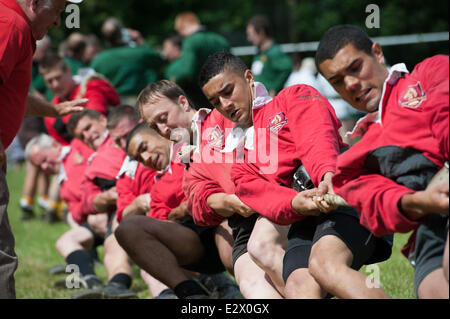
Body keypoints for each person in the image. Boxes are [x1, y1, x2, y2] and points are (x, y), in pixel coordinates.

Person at [199, 51, 393, 299]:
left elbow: (317, 137)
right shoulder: (240, 157)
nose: (225, 105)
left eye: (228, 91)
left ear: (248, 78)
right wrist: (294, 203)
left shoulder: (291, 97)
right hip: (304, 222)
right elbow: (256, 192)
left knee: (325, 266)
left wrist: (326, 175)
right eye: (215, 102)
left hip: (344, 197)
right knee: (298, 288)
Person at [315, 24, 449, 299]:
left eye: (355, 67)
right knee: (433, 290)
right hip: (430, 226)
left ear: (376, 53)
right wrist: (418, 201)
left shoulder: (429, 74)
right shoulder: (353, 159)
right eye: (338, 81)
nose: (351, 84)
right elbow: (377, 206)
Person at [136, 79, 284, 298]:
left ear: (183, 102)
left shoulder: (220, 118)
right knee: (251, 281)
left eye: (163, 118)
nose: (162, 129)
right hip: (232, 220)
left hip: (271, 206)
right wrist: (219, 200)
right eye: (154, 126)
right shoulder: (181, 152)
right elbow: (197, 204)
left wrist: (217, 197)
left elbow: (253, 167)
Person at [0, 0, 86, 299]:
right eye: (59, 10)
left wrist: (52, 109)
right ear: (36, 3)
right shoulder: (11, 25)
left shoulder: (14, 24)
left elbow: (14, 89)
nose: (60, 22)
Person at [116, 123, 241, 299]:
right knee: (127, 228)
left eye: (144, 147)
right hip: (193, 241)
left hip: (225, 220)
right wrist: (182, 211)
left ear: (159, 134)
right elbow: (164, 220)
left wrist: (190, 206)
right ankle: (190, 293)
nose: (146, 158)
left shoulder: (192, 148)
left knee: (228, 248)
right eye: (139, 159)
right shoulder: (158, 188)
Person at [65, 109, 137, 299]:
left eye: (88, 127)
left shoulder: (122, 138)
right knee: (65, 241)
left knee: (116, 233)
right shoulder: (90, 160)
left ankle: (119, 282)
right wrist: (100, 201)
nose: (87, 136)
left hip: (134, 203)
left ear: (103, 120)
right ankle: (87, 278)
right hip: (110, 212)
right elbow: (86, 201)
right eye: (82, 135)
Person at [90, 17, 163, 105]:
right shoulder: (139, 53)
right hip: (140, 102)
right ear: (121, 33)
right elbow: (158, 60)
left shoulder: (98, 60)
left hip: (114, 105)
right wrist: (140, 40)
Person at [168, 11, 230, 108]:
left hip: (201, 97)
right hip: (224, 91)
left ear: (183, 26)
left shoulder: (190, 41)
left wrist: (174, 79)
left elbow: (186, 72)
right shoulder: (220, 39)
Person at [246, 14, 292, 96]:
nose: (249, 39)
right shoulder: (258, 54)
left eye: (250, 34)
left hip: (269, 101)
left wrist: (274, 89)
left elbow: (287, 67)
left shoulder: (274, 52)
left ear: (261, 32)